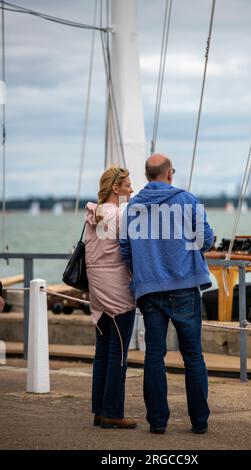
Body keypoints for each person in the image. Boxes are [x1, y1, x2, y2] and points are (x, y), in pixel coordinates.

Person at [120, 153, 214, 434]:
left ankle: (158, 423)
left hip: (149, 289)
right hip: (184, 286)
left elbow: (126, 249)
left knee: (154, 356)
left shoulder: (133, 206)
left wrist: (146, 270)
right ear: (170, 174)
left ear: (148, 176)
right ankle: (199, 422)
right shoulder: (188, 200)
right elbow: (205, 239)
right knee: (193, 356)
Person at [85, 165, 137, 429]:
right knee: (118, 352)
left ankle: (99, 409)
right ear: (115, 188)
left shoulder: (93, 215)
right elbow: (129, 252)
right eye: (128, 184)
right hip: (117, 292)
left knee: (103, 351)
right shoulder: (118, 216)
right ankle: (112, 412)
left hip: (97, 291)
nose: (132, 188)